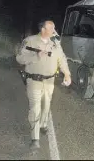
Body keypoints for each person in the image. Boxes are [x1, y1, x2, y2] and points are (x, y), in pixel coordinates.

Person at [16, 18, 71, 150]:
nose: (54, 31)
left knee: (46, 105)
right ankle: (35, 138)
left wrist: (67, 74)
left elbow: (62, 59)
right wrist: (36, 57)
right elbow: (19, 59)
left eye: (54, 28)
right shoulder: (30, 41)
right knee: (35, 108)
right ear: (43, 30)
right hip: (34, 81)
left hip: (50, 81)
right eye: (51, 29)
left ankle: (44, 124)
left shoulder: (55, 43)